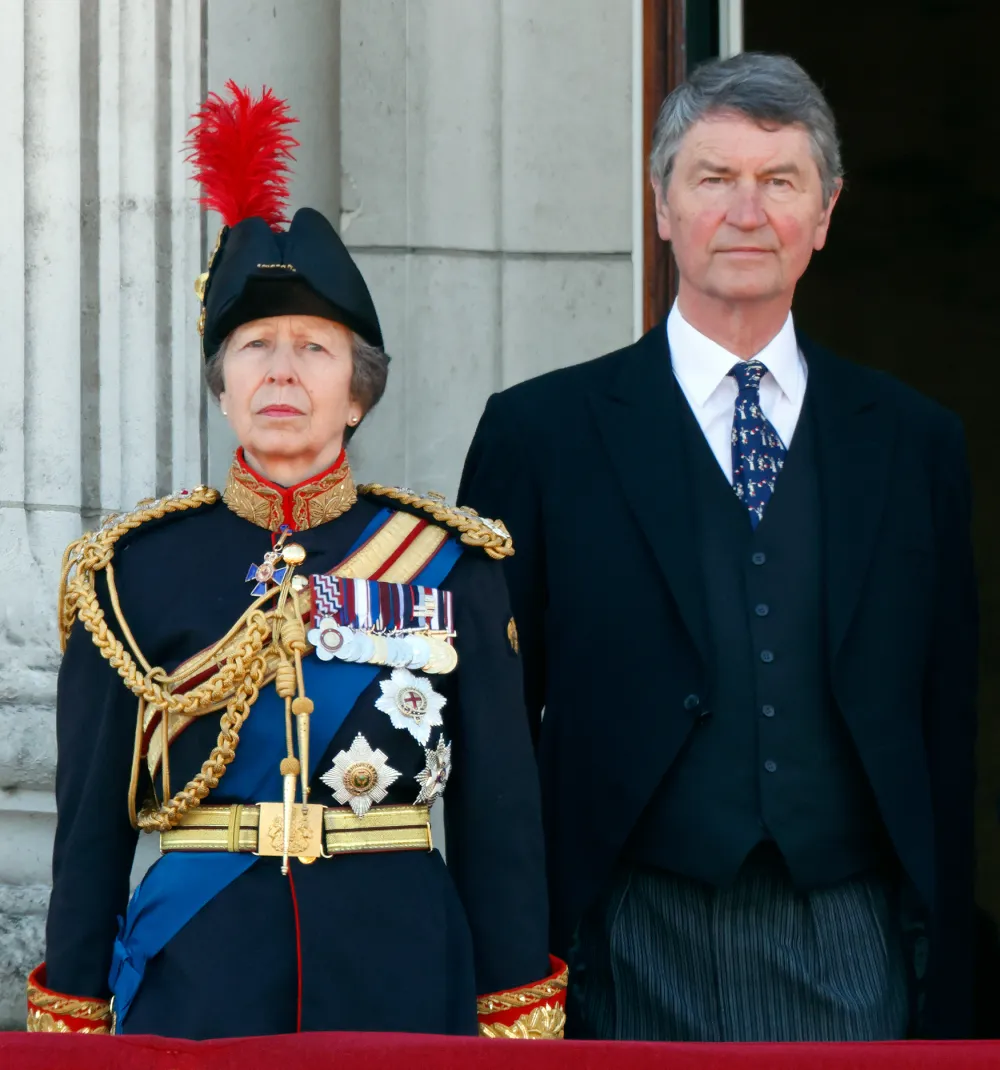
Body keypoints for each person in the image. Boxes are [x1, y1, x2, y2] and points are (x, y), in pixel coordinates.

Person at [28, 82, 565, 1040]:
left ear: (357, 395)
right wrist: (72, 1011)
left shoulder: (454, 563)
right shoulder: (131, 570)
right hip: (200, 968)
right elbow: (91, 829)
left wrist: (513, 1005)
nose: (282, 369)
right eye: (255, 346)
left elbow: (500, 820)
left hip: (400, 961)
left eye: (315, 348)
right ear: (223, 386)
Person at [459, 52, 978, 1042]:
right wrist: (507, 960)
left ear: (822, 215)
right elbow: (492, 727)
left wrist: (944, 966)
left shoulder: (914, 442)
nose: (748, 210)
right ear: (661, 206)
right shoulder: (540, 433)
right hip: (615, 930)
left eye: (779, 180)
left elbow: (944, 724)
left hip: (850, 934)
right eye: (713, 178)